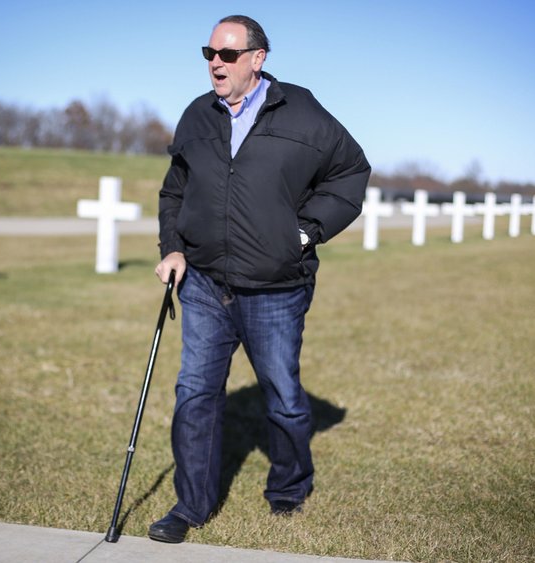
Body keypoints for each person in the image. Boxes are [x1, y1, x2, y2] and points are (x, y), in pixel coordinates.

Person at [150, 14, 370, 544]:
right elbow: (173, 192)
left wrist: (305, 232)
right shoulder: (197, 116)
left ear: (257, 58)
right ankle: (191, 506)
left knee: (284, 395)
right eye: (209, 54)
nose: (216, 65)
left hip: (275, 286)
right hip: (204, 282)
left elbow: (352, 171)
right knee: (194, 394)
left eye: (227, 54)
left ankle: (289, 490)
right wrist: (173, 249)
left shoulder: (303, 112)